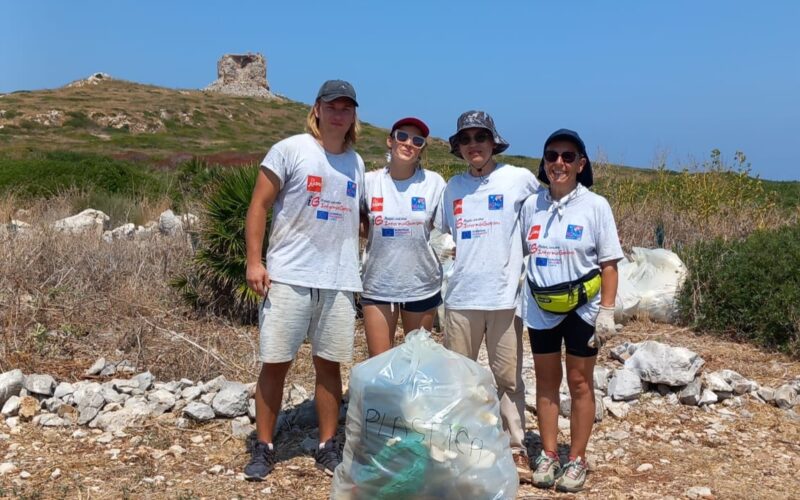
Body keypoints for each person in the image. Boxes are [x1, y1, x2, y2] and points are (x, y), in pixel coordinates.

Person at [243, 79, 365, 480]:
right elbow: (259, 205)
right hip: (289, 277)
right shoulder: (290, 149)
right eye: (332, 106)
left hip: (338, 280)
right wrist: (254, 262)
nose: (339, 114)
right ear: (317, 109)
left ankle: (328, 445)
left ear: (354, 116)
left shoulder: (357, 163)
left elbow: (359, 218)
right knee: (275, 363)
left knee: (329, 366)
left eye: (346, 108)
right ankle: (264, 446)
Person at [519, 129, 623, 492]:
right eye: (551, 156)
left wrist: (607, 311)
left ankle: (576, 458)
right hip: (541, 307)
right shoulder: (532, 206)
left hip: (583, 309)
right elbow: (520, 252)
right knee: (546, 381)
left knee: (580, 382)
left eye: (567, 156)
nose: (558, 163)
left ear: (581, 164)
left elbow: (609, 264)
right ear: (544, 162)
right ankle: (549, 454)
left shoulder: (596, 206)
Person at [439, 110, 539, 483]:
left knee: (508, 379)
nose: (473, 145)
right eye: (466, 139)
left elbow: (542, 217)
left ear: (493, 142)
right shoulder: (452, 188)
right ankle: (459, 446)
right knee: (458, 379)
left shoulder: (518, 179)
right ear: (459, 147)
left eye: (480, 137)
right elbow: (443, 235)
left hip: (504, 298)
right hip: (460, 298)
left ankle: (515, 447)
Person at [360, 117, 447, 356]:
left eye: (417, 140)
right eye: (402, 137)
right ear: (390, 141)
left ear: (421, 148)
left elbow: (442, 224)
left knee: (417, 360)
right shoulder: (369, 181)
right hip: (378, 283)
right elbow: (355, 219)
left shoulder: (434, 183)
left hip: (421, 283)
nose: (409, 143)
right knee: (379, 362)